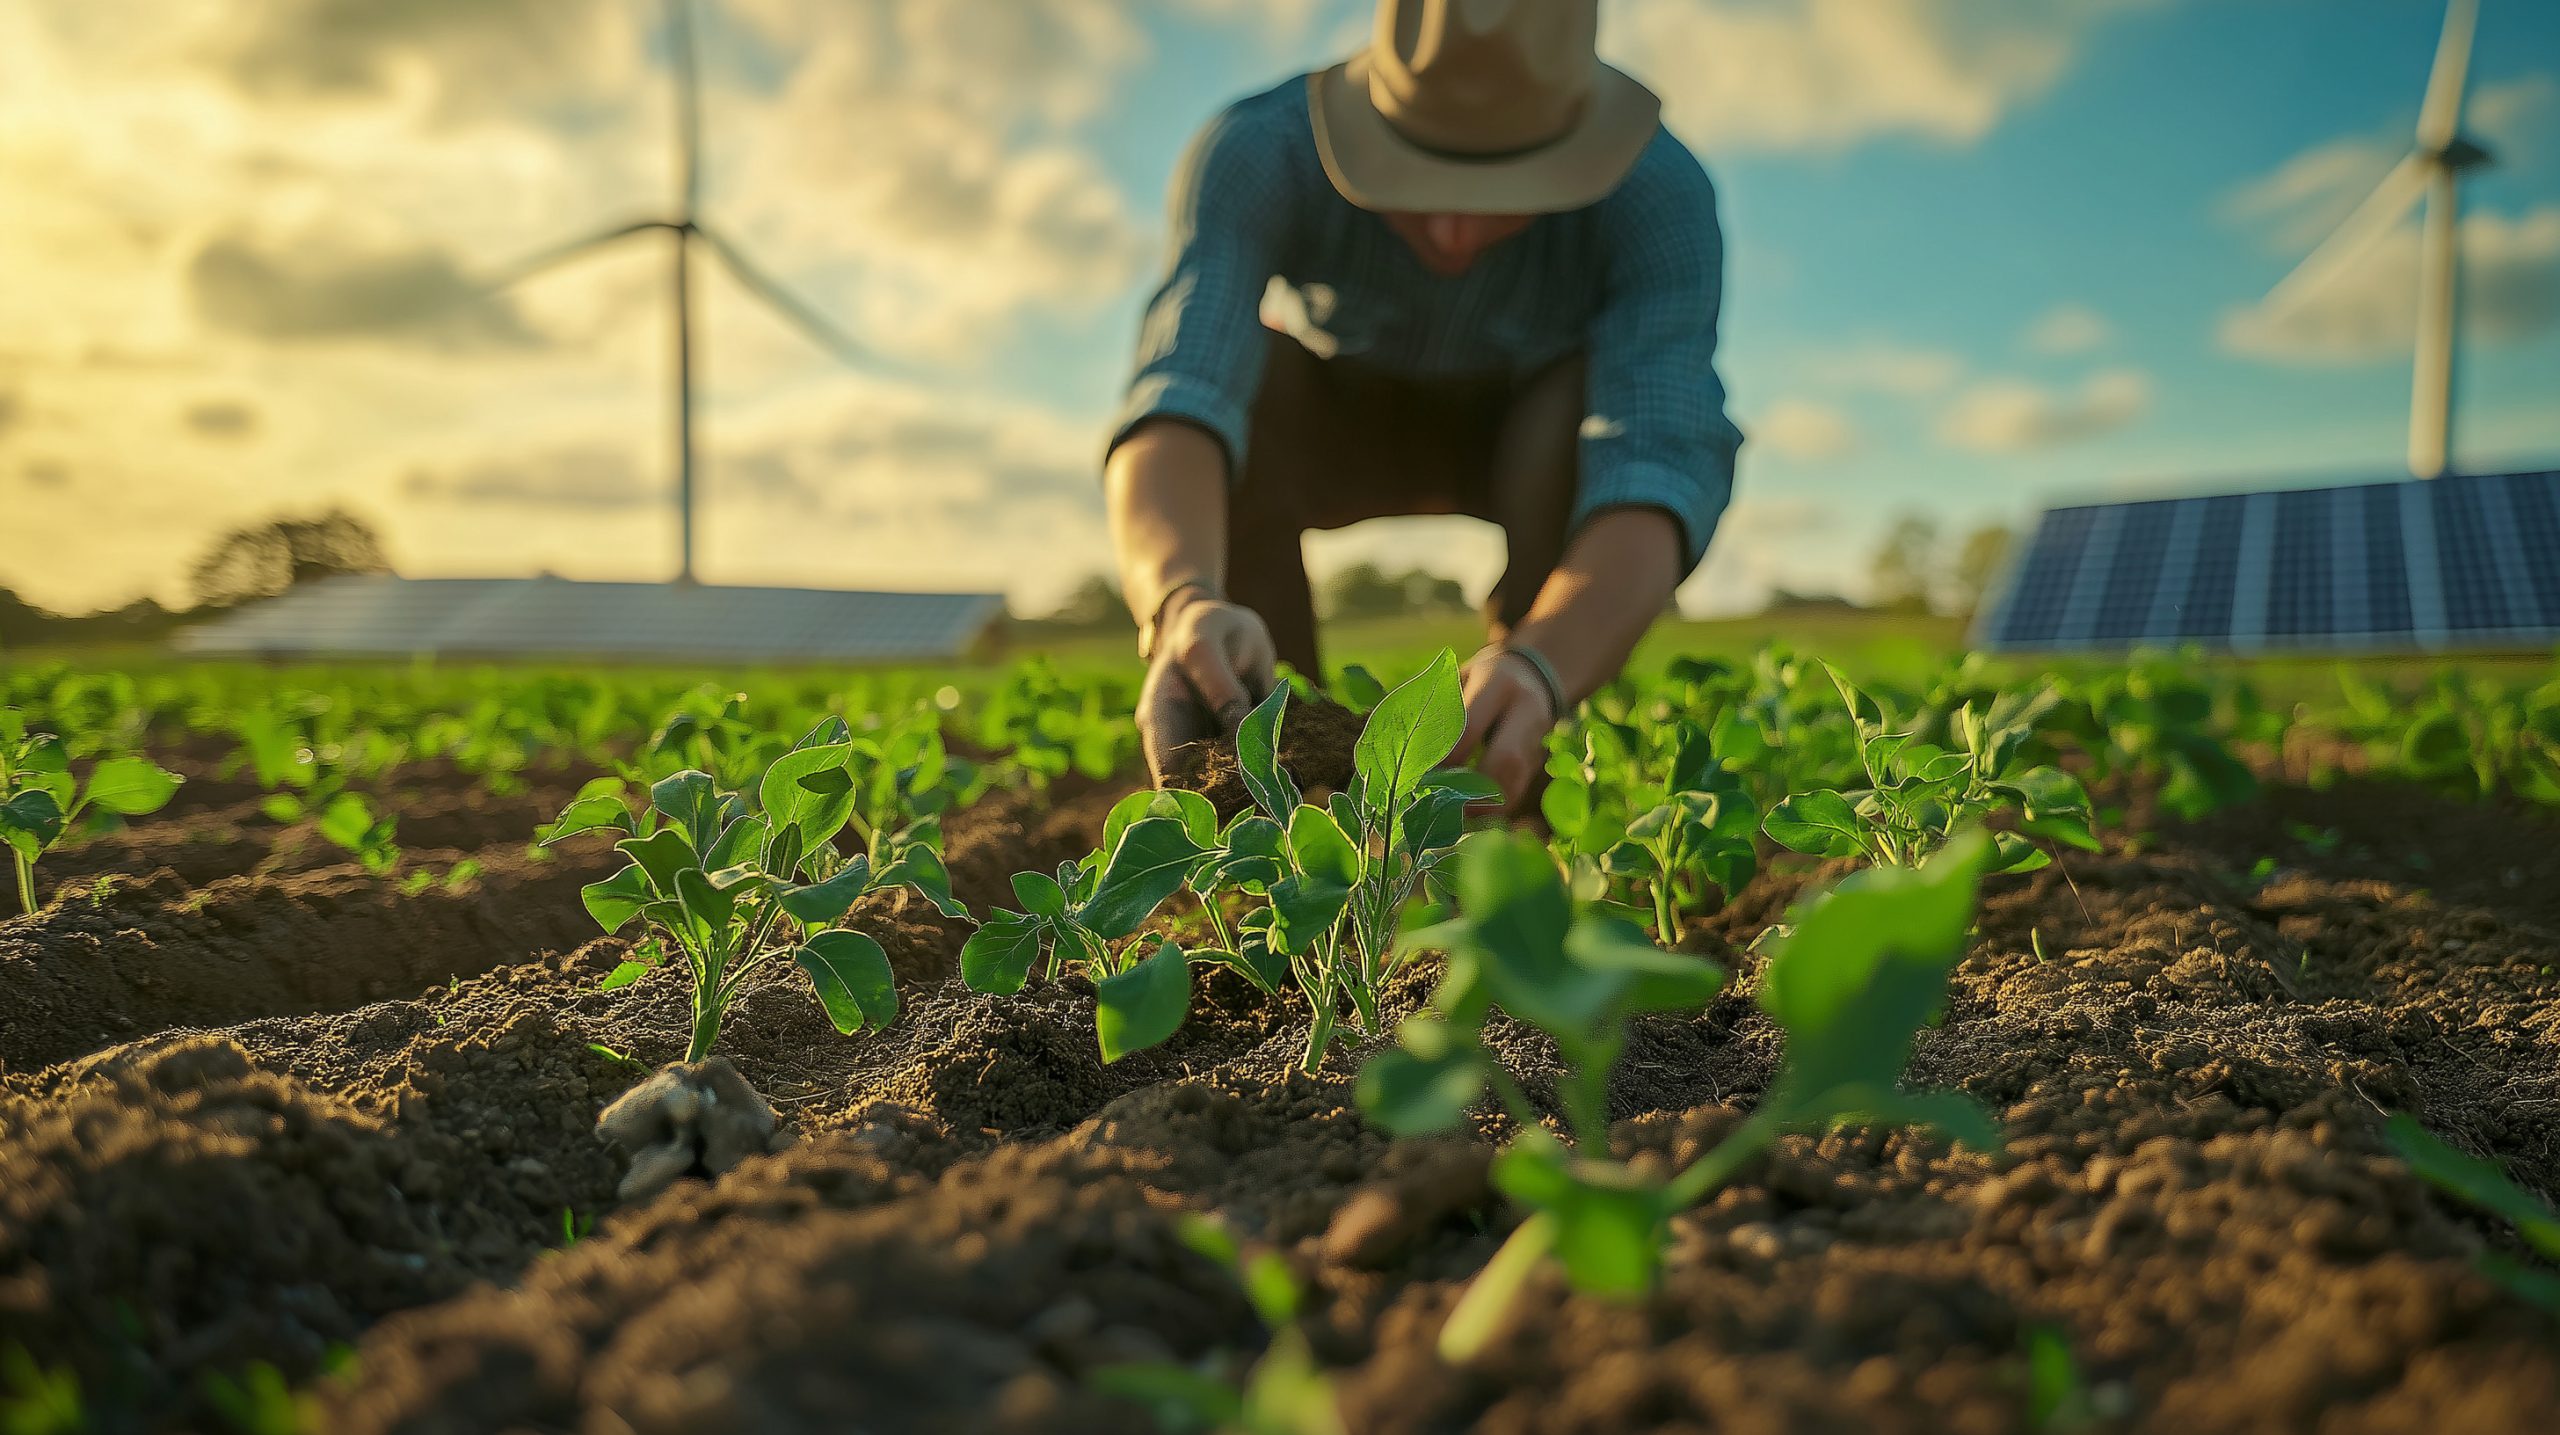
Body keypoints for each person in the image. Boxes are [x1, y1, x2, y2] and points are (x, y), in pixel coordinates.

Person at [1107, 0, 1744, 812]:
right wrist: (1180, 598)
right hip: (1342, 419)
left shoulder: (1657, 198)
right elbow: (1181, 388)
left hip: (1536, 436)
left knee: (1581, 409)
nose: (1451, 229)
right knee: (1251, 375)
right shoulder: (1260, 151)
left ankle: (1515, 739)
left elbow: (1658, 457)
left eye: (1501, 189)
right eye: (1414, 177)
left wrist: (1542, 662)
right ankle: (1271, 764)